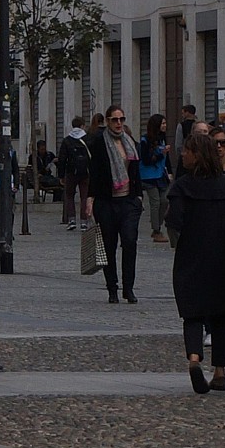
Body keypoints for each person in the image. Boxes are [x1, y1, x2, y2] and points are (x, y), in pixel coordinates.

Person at [166, 131, 225, 393]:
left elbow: (174, 221)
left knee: (192, 313)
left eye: (187, 151)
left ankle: (194, 359)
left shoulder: (182, 186)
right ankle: (220, 371)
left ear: (197, 155)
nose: (183, 154)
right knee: (222, 315)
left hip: (191, 257)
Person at [88, 104, 142, 304]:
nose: (119, 123)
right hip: (106, 201)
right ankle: (112, 288)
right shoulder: (99, 144)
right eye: (114, 119)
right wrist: (89, 199)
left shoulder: (130, 142)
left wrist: (138, 196)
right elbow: (93, 174)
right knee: (109, 246)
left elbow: (135, 171)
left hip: (128, 201)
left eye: (121, 119)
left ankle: (129, 288)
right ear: (107, 121)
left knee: (129, 241)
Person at [139, 114, 171, 241]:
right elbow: (146, 160)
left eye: (165, 123)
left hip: (160, 175)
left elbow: (166, 157)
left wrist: (168, 171)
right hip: (148, 176)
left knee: (165, 200)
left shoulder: (163, 138)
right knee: (155, 202)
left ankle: (158, 224)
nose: (165, 126)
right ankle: (156, 230)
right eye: (162, 123)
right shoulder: (145, 140)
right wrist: (160, 154)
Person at [59, 118, 91, 227]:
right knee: (84, 196)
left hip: (71, 172)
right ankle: (84, 221)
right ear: (82, 125)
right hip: (85, 172)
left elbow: (62, 159)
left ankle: (71, 219)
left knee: (69, 196)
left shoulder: (67, 140)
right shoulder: (87, 139)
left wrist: (61, 175)